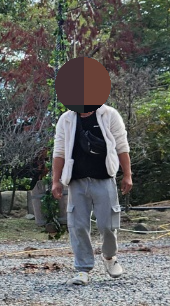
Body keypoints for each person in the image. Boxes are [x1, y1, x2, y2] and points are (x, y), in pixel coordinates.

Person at [51, 97, 132, 285]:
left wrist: (127, 174)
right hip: (76, 180)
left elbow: (122, 145)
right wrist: (56, 181)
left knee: (108, 225)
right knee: (77, 226)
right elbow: (59, 151)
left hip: (104, 178)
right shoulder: (66, 119)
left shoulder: (109, 114)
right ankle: (82, 268)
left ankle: (110, 257)